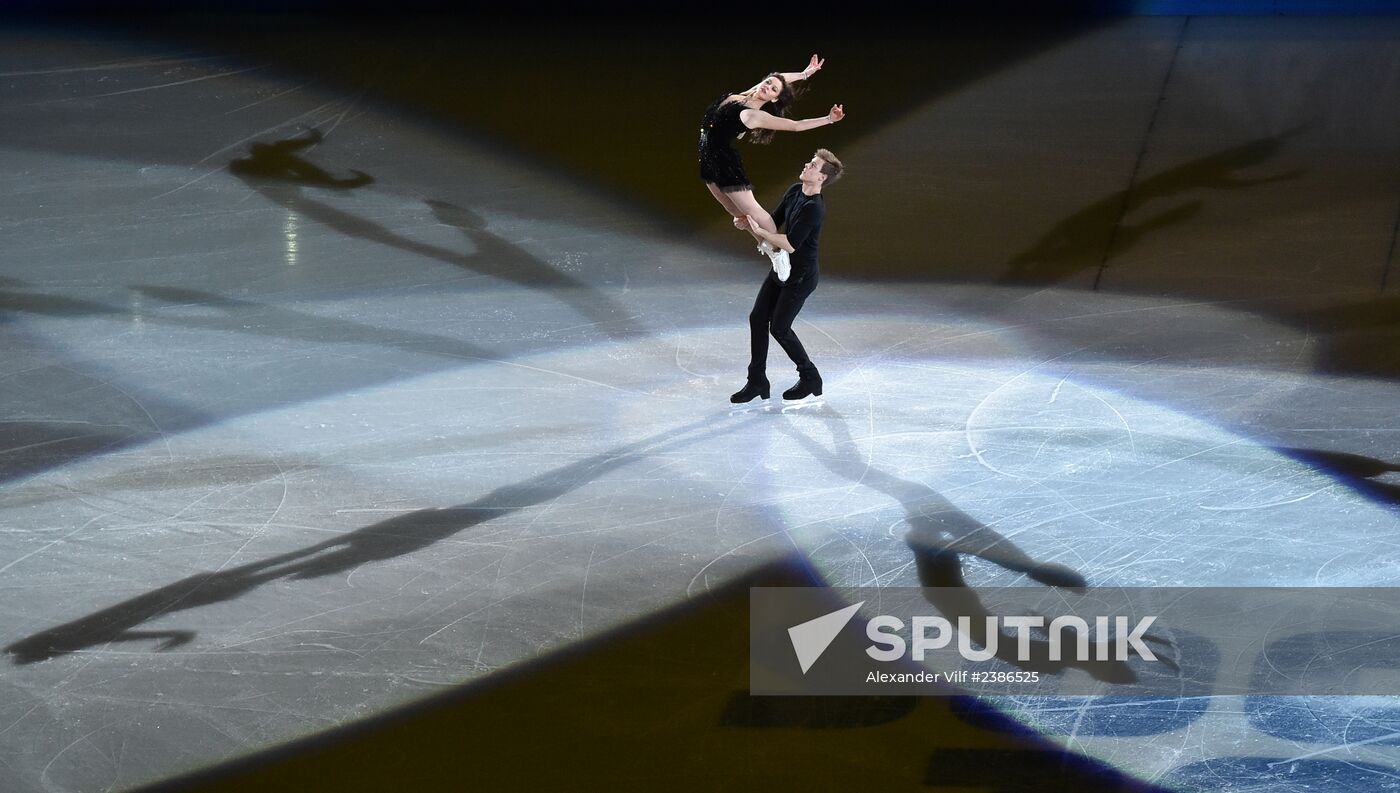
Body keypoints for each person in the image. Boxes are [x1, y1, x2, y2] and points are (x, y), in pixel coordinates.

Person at [699, 56, 844, 279]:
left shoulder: (755, 115)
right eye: (767, 83)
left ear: (775, 98)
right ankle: (768, 246)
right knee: (736, 212)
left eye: (773, 89)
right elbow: (778, 78)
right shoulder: (739, 97)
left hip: (724, 163)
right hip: (707, 160)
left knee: (753, 210)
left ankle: (778, 253)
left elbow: (795, 126)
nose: (767, 86)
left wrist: (829, 119)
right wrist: (804, 74)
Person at [730, 149, 844, 404]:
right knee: (758, 318)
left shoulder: (814, 208)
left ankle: (810, 376)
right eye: (810, 162)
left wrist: (759, 231)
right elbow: (774, 220)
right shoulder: (795, 191)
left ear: (822, 178)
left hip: (801, 276)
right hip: (783, 268)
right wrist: (749, 223)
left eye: (813, 165)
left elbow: (790, 243)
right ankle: (757, 380)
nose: (807, 165)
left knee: (780, 327)